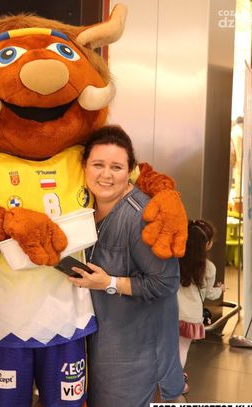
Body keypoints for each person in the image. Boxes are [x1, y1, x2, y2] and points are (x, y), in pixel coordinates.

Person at [67, 125, 185, 406]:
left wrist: (109, 283)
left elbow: (166, 282)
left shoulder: (142, 215)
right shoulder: (84, 207)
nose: (106, 175)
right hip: (104, 349)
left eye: (116, 167)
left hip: (140, 363)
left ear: (130, 170)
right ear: (84, 166)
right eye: (98, 165)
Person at [177, 219, 224, 393]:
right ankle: (176, 383)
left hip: (170, 312)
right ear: (207, 244)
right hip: (190, 316)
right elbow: (209, 294)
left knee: (167, 348)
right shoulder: (209, 268)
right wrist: (220, 290)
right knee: (182, 349)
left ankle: (163, 376)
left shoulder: (175, 260)